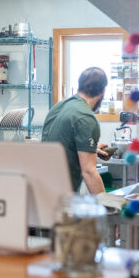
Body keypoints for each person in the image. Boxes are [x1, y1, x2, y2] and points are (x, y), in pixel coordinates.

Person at [41, 66, 110, 195]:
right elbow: (89, 171)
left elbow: (62, 143)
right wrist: (107, 208)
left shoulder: (59, 106)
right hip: (62, 197)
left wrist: (90, 148)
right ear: (103, 91)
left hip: (42, 189)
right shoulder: (86, 117)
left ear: (81, 85)